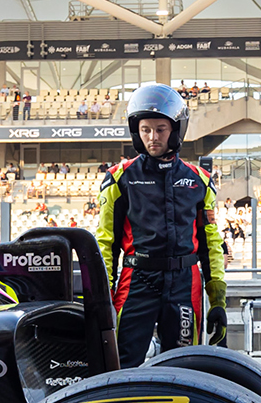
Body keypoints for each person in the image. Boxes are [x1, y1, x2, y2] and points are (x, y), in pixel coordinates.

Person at [96, 84, 226, 366]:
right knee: (121, 365)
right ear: (136, 131)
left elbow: (211, 244)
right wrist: (102, 298)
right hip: (136, 281)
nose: (152, 137)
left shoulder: (200, 180)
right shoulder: (119, 178)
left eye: (160, 129)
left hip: (185, 283)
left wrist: (218, 300)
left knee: (185, 365)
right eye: (145, 130)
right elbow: (106, 243)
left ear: (176, 130)